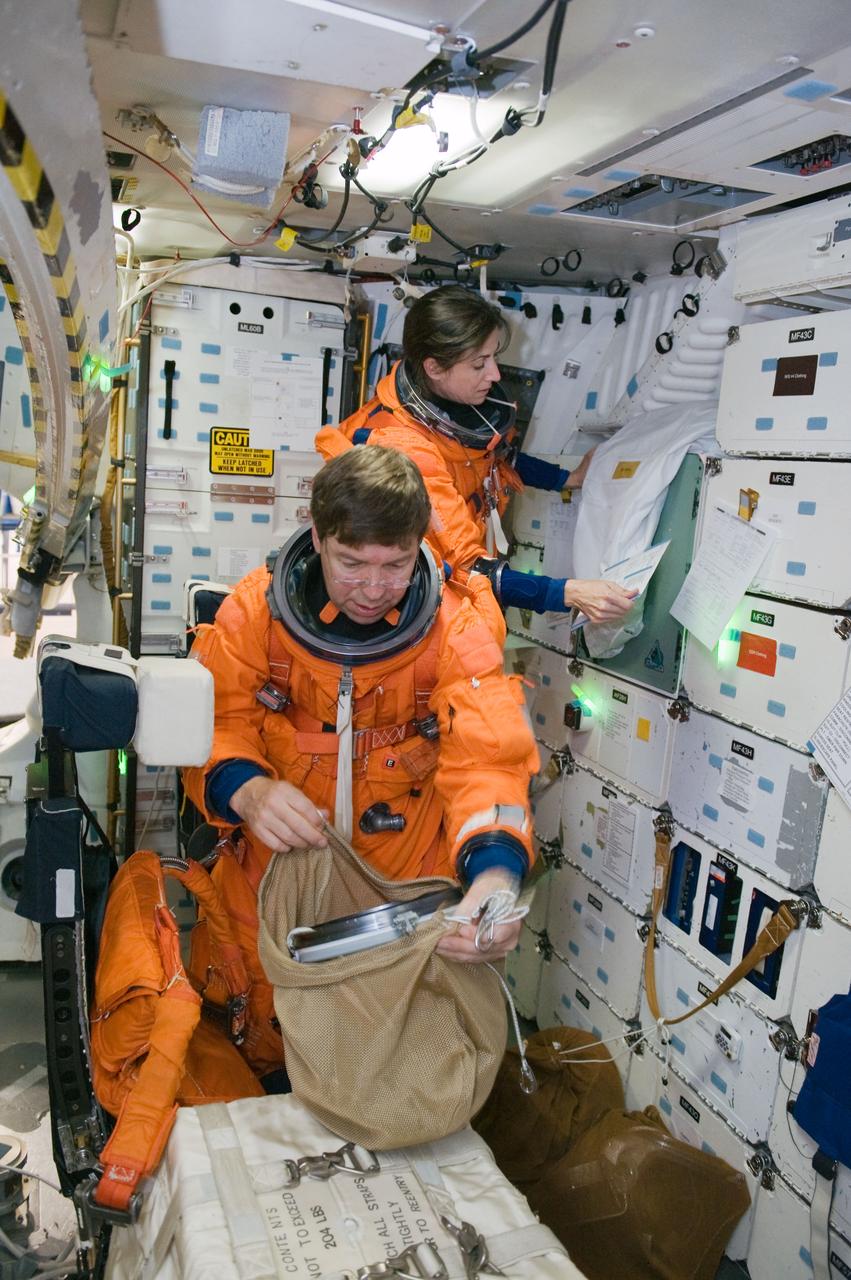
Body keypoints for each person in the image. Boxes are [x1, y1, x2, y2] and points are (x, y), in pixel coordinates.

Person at [182, 445, 539, 1078]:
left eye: (396, 565)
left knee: (396, 1071)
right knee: (262, 1054)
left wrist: (494, 876)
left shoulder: (457, 630)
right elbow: (216, 724)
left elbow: (489, 763)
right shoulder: (254, 615)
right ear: (317, 537)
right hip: (276, 881)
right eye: (352, 563)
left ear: (418, 545)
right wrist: (248, 791)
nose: (374, 589)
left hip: (403, 895)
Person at [317, 284, 636, 624]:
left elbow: (497, 457)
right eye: (479, 364)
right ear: (434, 368)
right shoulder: (402, 454)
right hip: (418, 615)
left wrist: (566, 479)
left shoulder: (458, 412)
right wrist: (567, 593)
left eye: (494, 357)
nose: (495, 374)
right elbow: (468, 565)